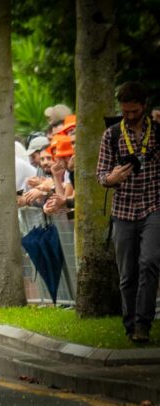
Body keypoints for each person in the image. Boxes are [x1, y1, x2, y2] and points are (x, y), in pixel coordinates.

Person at [97, 81, 160, 343]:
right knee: (127, 273)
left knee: (150, 262)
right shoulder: (111, 135)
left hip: (153, 207)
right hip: (123, 211)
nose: (130, 116)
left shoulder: (157, 132)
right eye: (125, 112)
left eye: (134, 111)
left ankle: (144, 324)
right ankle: (130, 324)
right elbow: (100, 175)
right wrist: (111, 178)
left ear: (143, 107)